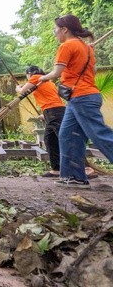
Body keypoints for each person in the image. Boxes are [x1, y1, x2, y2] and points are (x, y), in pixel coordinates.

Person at [38, 14, 113, 189]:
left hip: (82, 98)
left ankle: (75, 176)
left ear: (64, 29)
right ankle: (75, 177)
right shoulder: (86, 48)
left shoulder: (67, 46)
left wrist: (41, 78)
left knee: (99, 134)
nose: (54, 32)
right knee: (67, 135)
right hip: (80, 97)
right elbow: (92, 73)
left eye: (55, 29)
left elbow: (56, 73)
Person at [16, 66, 65, 178]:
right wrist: (45, 113)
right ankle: (57, 168)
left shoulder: (37, 77)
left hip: (54, 112)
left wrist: (18, 88)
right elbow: (51, 97)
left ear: (29, 73)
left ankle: (84, 167)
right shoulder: (47, 81)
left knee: (64, 139)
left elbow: (23, 90)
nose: (27, 78)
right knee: (49, 139)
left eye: (27, 76)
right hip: (53, 111)